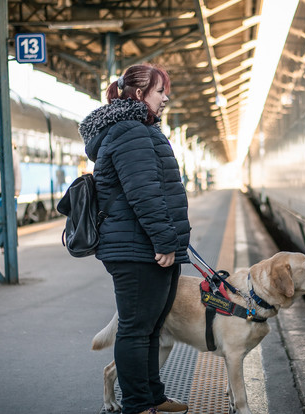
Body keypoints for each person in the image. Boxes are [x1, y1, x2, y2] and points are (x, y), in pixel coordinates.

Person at [78, 64, 191, 414]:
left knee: (152, 327)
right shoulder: (131, 132)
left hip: (141, 244)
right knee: (136, 329)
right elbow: (144, 194)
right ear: (139, 95)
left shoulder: (135, 130)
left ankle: (153, 396)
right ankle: (138, 405)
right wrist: (164, 242)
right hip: (138, 248)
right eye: (160, 91)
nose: (166, 97)